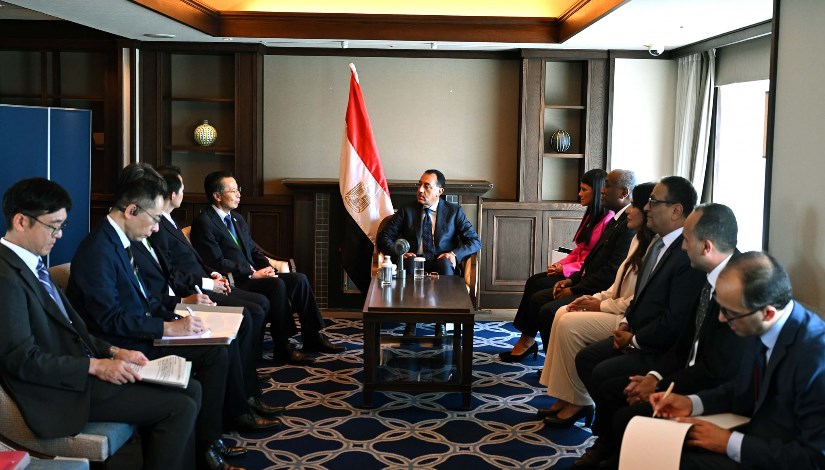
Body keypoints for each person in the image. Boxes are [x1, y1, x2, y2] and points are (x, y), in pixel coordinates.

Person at [67, 164, 278, 470]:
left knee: (219, 343)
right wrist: (168, 327)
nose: (156, 229)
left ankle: (212, 440)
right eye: (154, 219)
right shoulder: (99, 250)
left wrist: (176, 317)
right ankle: (209, 446)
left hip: (141, 329)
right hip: (124, 344)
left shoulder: (120, 241)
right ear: (131, 210)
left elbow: (145, 298)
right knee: (215, 353)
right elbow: (110, 320)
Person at [0, 178, 199, 470]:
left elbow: (76, 330)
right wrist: (95, 366)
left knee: (191, 388)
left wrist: (114, 352)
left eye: (62, 226)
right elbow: (21, 360)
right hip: (58, 389)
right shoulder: (5, 277)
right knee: (180, 406)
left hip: (81, 370)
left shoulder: (32, 264)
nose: (59, 235)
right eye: (53, 226)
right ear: (21, 221)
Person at [573, 203, 747, 468]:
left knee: (625, 415)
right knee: (610, 388)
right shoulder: (711, 273)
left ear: (706, 246)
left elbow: (717, 370)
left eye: (687, 240)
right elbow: (685, 341)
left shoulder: (739, 286)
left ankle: (618, 456)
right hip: (685, 369)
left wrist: (660, 385)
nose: (683, 247)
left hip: (713, 389)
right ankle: (611, 449)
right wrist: (654, 377)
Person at [650, 252, 825, 469]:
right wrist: (692, 403)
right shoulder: (758, 323)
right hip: (755, 440)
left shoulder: (815, 356)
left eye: (729, 312)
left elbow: (815, 458)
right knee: (656, 445)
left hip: (777, 457)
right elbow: (743, 389)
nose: (721, 318)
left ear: (768, 313)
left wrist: (728, 443)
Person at [573, 176, 706, 430]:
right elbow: (640, 295)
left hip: (658, 347)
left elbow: (674, 320)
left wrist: (634, 340)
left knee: (603, 374)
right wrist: (625, 323)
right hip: (636, 332)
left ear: (676, 210)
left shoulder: (685, 253)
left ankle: (611, 434)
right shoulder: (656, 242)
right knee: (587, 359)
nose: (646, 207)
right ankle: (611, 429)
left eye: (653, 202)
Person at [189, 171, 344, 365]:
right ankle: (283, 345)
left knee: (299, 279)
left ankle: (313, 336)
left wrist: (268, 268)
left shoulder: (236, 218)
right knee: (276, 286)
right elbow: (215, 261)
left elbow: (254, 250)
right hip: (234, 281)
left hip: (254, 275)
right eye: (233, 190)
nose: (238, 194)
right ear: (217, 195)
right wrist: (252, 273)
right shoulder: (204, 223)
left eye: (238, 189)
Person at [534, 182, 655, 427]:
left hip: (625, 316)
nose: (629, 211)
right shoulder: (637, 240)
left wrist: (600, 306)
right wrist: (596, 298)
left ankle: (580, 401)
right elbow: (616, 284)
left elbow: (634, 300)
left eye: (634, 206)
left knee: (569, 323)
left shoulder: (652, 247)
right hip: (613, 306)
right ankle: (564, 396)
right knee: (563, 312)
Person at [149, 165, 275, 382]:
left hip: (207, 281)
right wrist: (209, 283)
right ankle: (244, 377)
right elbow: (172, 273)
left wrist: (214, 275)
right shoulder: (158, 227)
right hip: (193, 291)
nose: (185, 193)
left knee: (262, 303)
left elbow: (197, 260)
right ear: (172, 194)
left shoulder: (170, 221)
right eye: (182, 189)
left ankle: (246, 370)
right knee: (252, 311)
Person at [500, 168, 613, 362]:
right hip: (575, 269)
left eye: (584, 189)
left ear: (597, 191)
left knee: (539, 288)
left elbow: (594, 260)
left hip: (583, 275)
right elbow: (580, 249)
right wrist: (559, 265)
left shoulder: (608, 219)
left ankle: (529, 342)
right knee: (534, 281)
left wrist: (566, 270)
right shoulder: (591, 215)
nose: (579, 194)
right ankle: (527, 339)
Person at [376, 169, 482, 336]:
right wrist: (400, 253)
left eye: (427, 186)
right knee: (409, 262)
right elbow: (384, 238)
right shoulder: (407, 210)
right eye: (419, 185)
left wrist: (454, 254)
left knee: (445, 263)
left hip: (441, 261)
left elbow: (475, 241)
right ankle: (410, 322)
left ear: (440, 191)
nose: (420, 190)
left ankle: (442, 322)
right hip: (414, 261)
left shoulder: (454, 212)